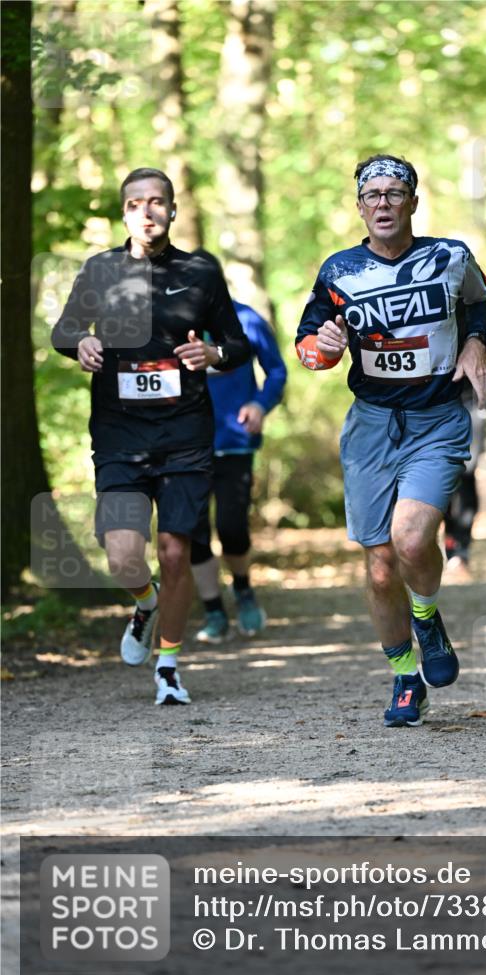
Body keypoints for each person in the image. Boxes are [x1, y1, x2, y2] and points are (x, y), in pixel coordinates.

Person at [295, 154, 486, 728]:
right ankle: (406, 677)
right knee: (381, 566)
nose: (383, 203)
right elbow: (308, 347)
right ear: (360, 207)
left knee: (410, 538)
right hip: (372, 426)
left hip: (436, 419)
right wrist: (324, 347)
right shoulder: (339, 272)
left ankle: (426, 616)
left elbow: (482, 301)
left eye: (394, 193)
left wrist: (475, 343)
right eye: (372, 195)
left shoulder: (450, 257)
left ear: (413, 202)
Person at [52, 167, 251, 706]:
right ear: (124, 213)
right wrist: (80, 345)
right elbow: (64, 330)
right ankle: (145, 601)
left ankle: (168, 665)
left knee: (175, 551)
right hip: (120, 433)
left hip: (185, 432)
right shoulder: (100, 270)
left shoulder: (200, 271)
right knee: (123, 556)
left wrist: (213, 353)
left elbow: (237, 344)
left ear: (172, 209)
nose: (147, 210)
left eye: (157, 201)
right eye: (135, 202)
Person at [190, 293, 287, 640]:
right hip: (184, 444)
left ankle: (243, 592)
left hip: (234, 439)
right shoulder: (171, 321)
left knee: (231, 526)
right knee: (193, 530)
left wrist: (260, 404)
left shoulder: (245, 319)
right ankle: (213, 611)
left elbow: (276, 370)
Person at [443, 319, 486, 580]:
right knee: (442, 472)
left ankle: (459, 550)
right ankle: (443, 543)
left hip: (474, 396)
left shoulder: (481, 302)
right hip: (434, 397)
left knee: (466, 470)